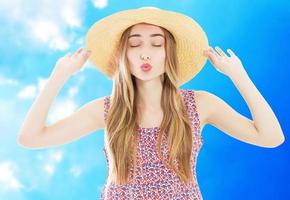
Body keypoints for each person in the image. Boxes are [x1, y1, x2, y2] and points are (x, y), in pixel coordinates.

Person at [17, 6, 285, 200]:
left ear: (169, 53)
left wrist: (239, 76)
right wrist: (58, 75)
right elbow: (30, 138)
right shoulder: (107, 111)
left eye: (157, 44)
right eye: (135, 45)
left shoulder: (199, 105)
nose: (145, 52)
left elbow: (271, 137)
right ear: (124, 55)